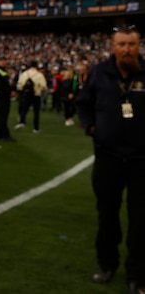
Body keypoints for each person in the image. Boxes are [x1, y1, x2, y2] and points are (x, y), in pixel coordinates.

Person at [76, 26, 145, 293]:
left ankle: (137, 275)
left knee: (141, 221)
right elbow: (83, 103)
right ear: (112, 46)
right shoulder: (99, 73)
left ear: (138, 45)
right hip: (108, 157)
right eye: (121, 44)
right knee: (107, 215)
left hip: (142, 160)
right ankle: (107, 264)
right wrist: (90, 126)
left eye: (131, 43)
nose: (126, 48)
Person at [15, 59, 48, 133]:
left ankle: (21, 122)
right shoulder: (39, 74)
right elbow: (44, 86)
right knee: (36, 112)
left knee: (24, 109)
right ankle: (36, 128)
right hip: (36, 94)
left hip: (26, 94)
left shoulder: (25, 73)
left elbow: (19, 84)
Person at [0, 56, 16, 142]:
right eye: (2, 61)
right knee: (3, 117)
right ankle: (6, 135)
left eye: (5, 61)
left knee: (3, 117)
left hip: (5, 97)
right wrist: (9, 92)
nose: (3, 63)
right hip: (1, 97)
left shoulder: (4, 72)